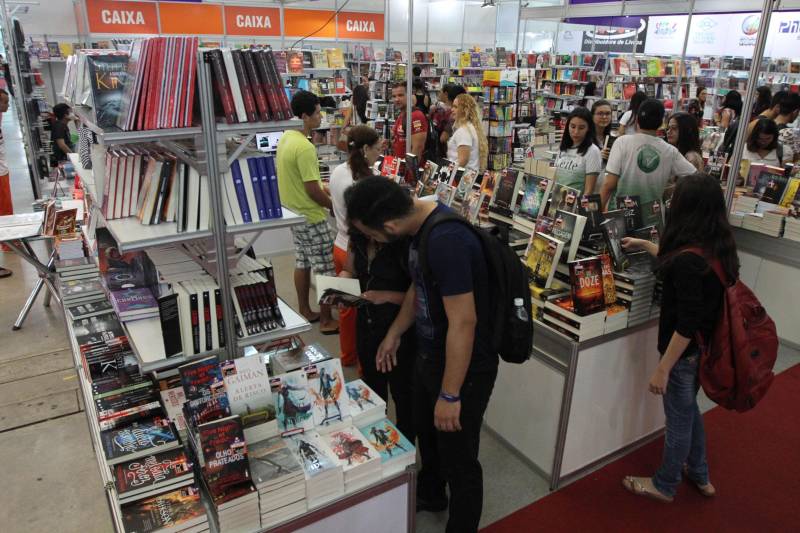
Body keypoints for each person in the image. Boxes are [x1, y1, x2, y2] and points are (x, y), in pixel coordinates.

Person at [345, 176, 496, 533]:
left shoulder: (446, 239)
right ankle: (431, 493)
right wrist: (395, 334)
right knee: (428, 436)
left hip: (463, 367)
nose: (373, 242)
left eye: (372, 235)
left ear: (389, 225)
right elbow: (419, 286)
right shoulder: (420, 232)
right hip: (429, 354)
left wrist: (450, 393)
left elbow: (464, 322)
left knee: (459, 456)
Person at [621, 173, 735, 503]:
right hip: (704, 347)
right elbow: (680, 264)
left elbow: (685, 323)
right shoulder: (716, 245)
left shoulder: (688, 259)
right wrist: (644, 244)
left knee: (678, 421)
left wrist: (663, 368)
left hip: (683, 355)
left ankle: (665, 483)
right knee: (688, 412)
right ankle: (699, 473)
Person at [276, 90, 339, 335]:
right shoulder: (304, 146)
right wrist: (332, 205)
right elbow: (312, 189)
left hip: (294, 213)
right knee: (325, 268)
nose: (320, 116)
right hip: (311, 215)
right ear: (304, 116)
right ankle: (326, 320)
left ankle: (304, 308)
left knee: (302, 262)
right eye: (316, 112)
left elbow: (301, 179)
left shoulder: (286, 139)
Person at [330, 126, 383, 366]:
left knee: (346, 308)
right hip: (357, 252)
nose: (379, 155)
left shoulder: (338, 171)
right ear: (365, 149)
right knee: (364, 312)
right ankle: (364, 366)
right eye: (378, 149)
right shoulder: (362, 182)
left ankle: (348, 357)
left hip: (339, 246)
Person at [601, 98, 696, 226]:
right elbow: (695, 176)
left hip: (620, 217)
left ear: (637, 120)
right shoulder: (670, 151)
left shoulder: (622, 142)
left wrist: (596, 216)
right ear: (661, 123)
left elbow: (609, 184)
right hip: (652, 220)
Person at [554, 107, 602, 194]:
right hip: (557, 201)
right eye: (573, 126)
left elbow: (589, 191)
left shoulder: (592, 151)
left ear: (588, 128)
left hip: (576, 204)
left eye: (581, 128)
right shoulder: (563, 147)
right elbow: (556, 178)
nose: (576, 132)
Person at [447, 93, 487, 170]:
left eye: (455, 107)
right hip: (468, 176)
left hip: (461, 177)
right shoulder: (469, 127)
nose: (452, 110)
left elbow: (463, 160)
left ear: (464, 110)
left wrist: (448, 173)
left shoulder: (464, 131)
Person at [391, 83, 428, 163]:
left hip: (408, 170)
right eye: (394, 96)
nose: (397, 99)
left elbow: (418, 147)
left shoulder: (416, 116)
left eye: (400, 95)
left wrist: (411, 171)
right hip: (399, 167)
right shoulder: (401, 115)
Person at [431, 83, 466, 158]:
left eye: (440, 91)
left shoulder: (451, 115)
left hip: (447, 154)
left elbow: (443, 138)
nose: (439, 94)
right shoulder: (450, 113)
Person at [0, 89, 11, 278]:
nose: (7, 106)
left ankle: (9, 240)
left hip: (3, 170)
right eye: (4, 102)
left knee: (6, 208)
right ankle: (8, 241)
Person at [776, 92, 800, 164]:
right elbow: (796, 159)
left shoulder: (767, 123)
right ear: (795, 112)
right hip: (780, 170)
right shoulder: (788, 132)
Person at [51, 103, 74, 169]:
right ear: (65, 115)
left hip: (64, 158)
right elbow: (62, 145)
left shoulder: (62, 124)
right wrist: (73, 157)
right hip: (62, 159)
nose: (73, 113)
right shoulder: (59, 126)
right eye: (70, 111)